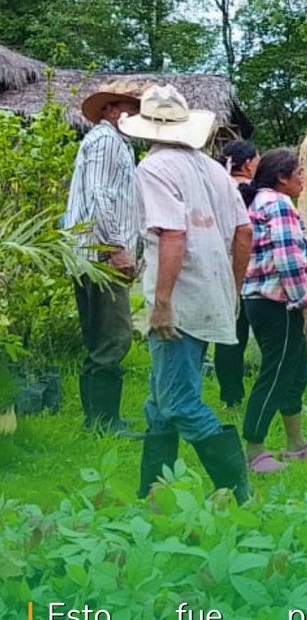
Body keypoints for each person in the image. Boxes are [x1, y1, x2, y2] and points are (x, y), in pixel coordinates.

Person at [119, 85, 254, 503]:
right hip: (210, 292)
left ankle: (238, 491)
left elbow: (172, 236)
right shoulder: (214, 169)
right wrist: (230, 288)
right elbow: (244, 233)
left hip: (179, 297)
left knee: (177, 401)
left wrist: (161, 304)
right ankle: (153, 492)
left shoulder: (155, 168)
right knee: (161, 400)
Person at [241, 149, 307, 472]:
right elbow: (288, 259)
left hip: (269, 300)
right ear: (282, 177)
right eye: (300, 173)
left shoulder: (262, 201)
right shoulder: (278, 204)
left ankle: (296, 445)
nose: (304, 180)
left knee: (297, 373)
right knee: (277, 374)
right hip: (276, 303)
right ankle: (253, 450)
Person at [64, 79, 143, 437]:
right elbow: (99, 195)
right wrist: (116, 247)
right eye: (128, 107)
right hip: (100, 256)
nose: (134, 114)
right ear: (110, 109)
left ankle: (97, 419)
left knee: (101, 337)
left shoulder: (112, 143)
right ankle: (105, 422)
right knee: (113, 337)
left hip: (93, 253)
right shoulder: (106, 141)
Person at [213, 140, 260, 408]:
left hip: (219, 268)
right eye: (256, 159)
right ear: (246, 164)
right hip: (248, 271)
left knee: (228, 337)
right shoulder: (250, 192)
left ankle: (230, 396)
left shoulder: (215, 187)